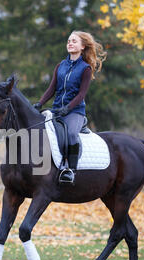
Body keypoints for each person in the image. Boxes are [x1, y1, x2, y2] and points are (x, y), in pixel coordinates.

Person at [33, 31, 107, 183]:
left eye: (74, 41)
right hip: (56, 110)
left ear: (82, 46)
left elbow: (81, 94)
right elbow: (51, 89)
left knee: (72, 134)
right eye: (68, 41)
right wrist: (39, 104)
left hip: (75, 112)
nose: (70, 43)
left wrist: (68, 108)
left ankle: (70, 170)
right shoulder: (60, 65)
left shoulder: (85, 68)